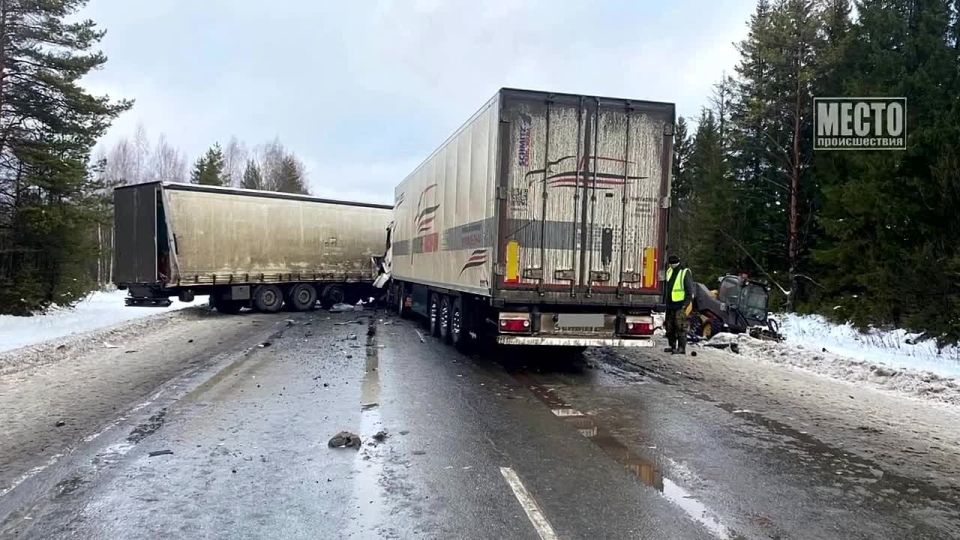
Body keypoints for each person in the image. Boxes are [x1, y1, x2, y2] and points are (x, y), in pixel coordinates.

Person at [663, 254, 695, 354]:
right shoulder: (668, 271)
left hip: (680, 304)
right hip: (669, 304)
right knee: (670, 326)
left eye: (673, 263)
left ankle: (681, 348)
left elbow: (689, 291)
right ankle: (672, 346)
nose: (672, 265)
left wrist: (685, 305)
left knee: (680, 326)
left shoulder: (684, 272)